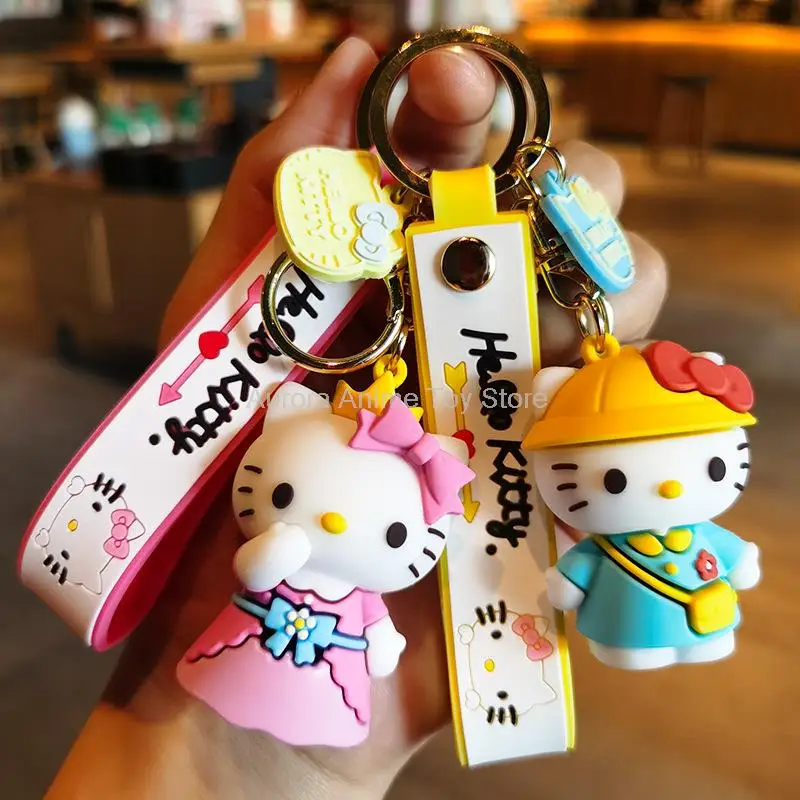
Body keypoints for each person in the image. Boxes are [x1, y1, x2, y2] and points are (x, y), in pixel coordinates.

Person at [45, 38, 667, 799]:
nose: (339, 527)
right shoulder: (296, 422)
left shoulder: (397, 495)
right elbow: (265, 566)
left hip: (365, 667)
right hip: (239, 632)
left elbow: (372, 623)